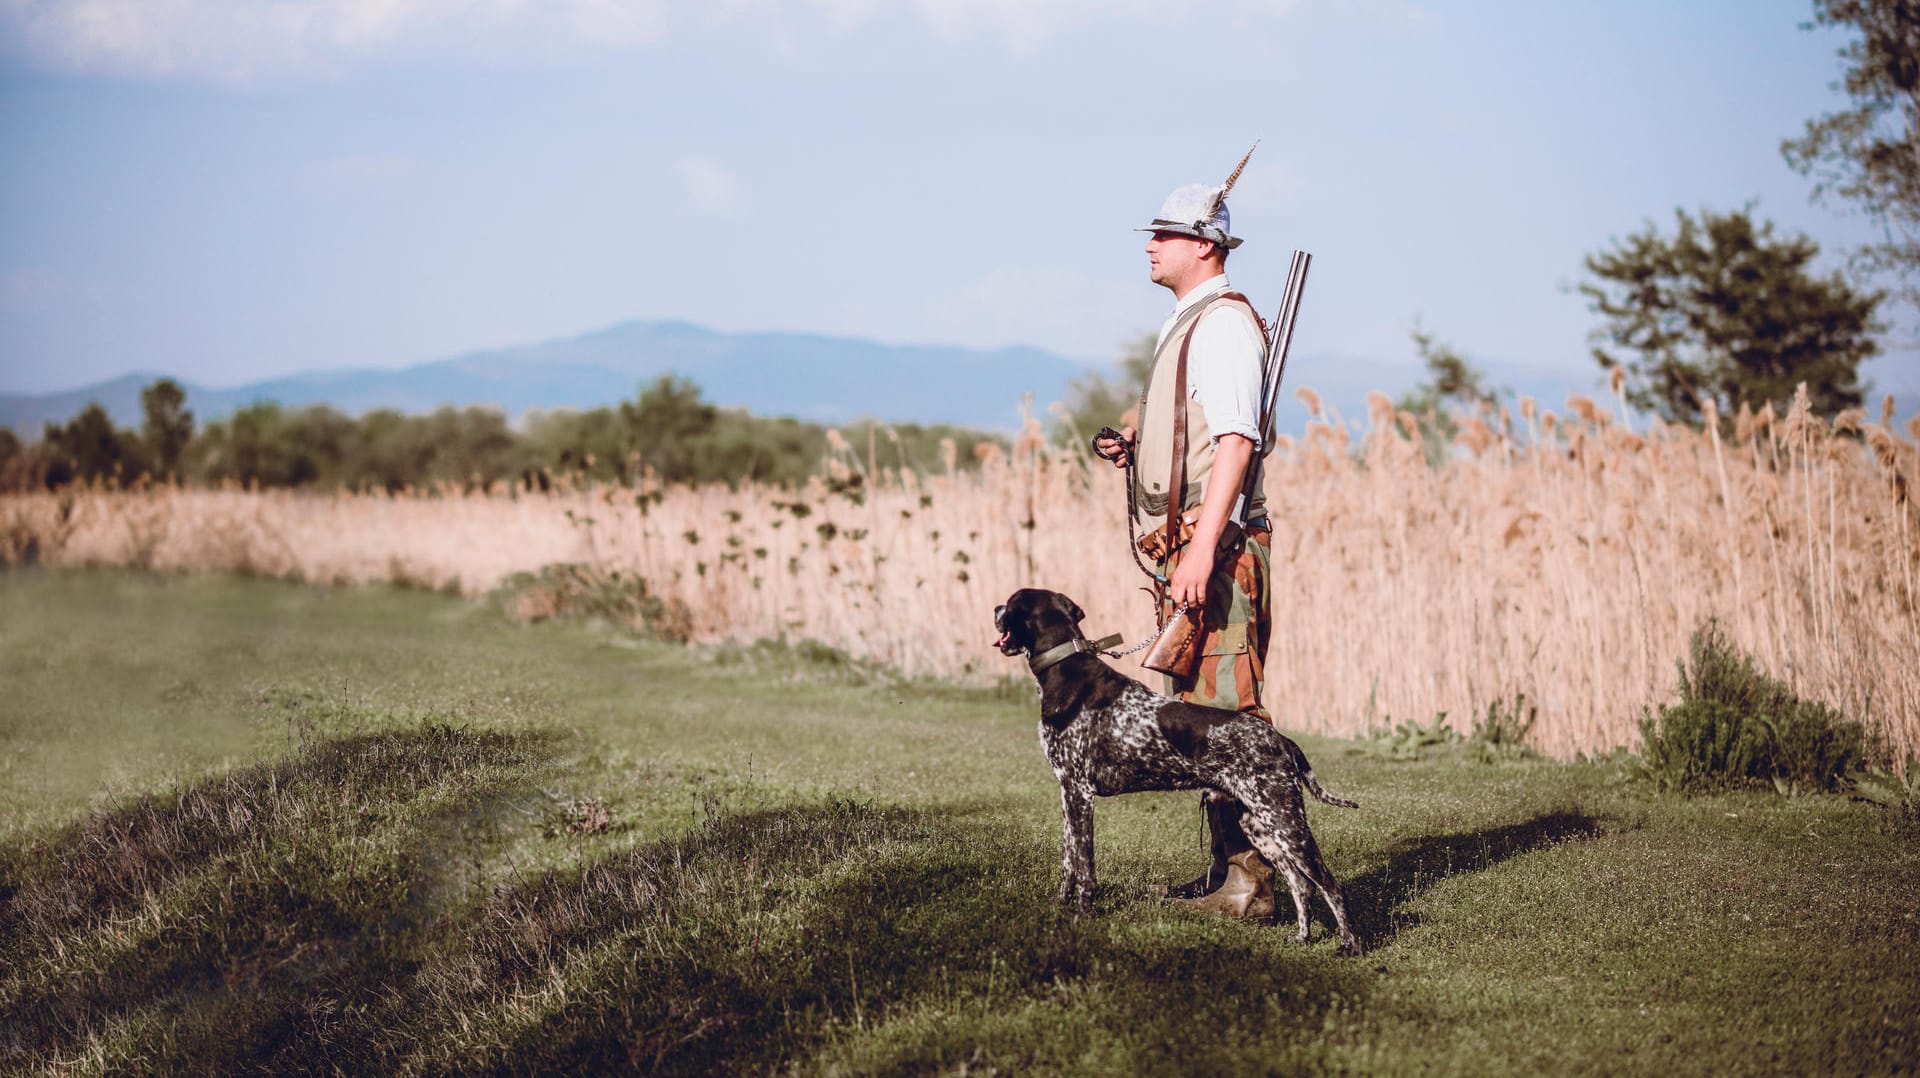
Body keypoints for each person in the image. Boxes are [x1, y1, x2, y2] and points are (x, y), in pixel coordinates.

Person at [1093, 167, 1277, 921]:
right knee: (1198, 714)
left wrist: (1201, 552)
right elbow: (1194, 423)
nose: (1151, 246)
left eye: (1164, 234)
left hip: (1218, 545)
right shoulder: (1191, 320)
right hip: (1191, 541)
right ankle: (1224, 874)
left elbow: (1236, 442)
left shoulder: (1225, 322)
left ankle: (1254, 887)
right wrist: (1132, 440)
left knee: (1228, 713)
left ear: (1203, 245)